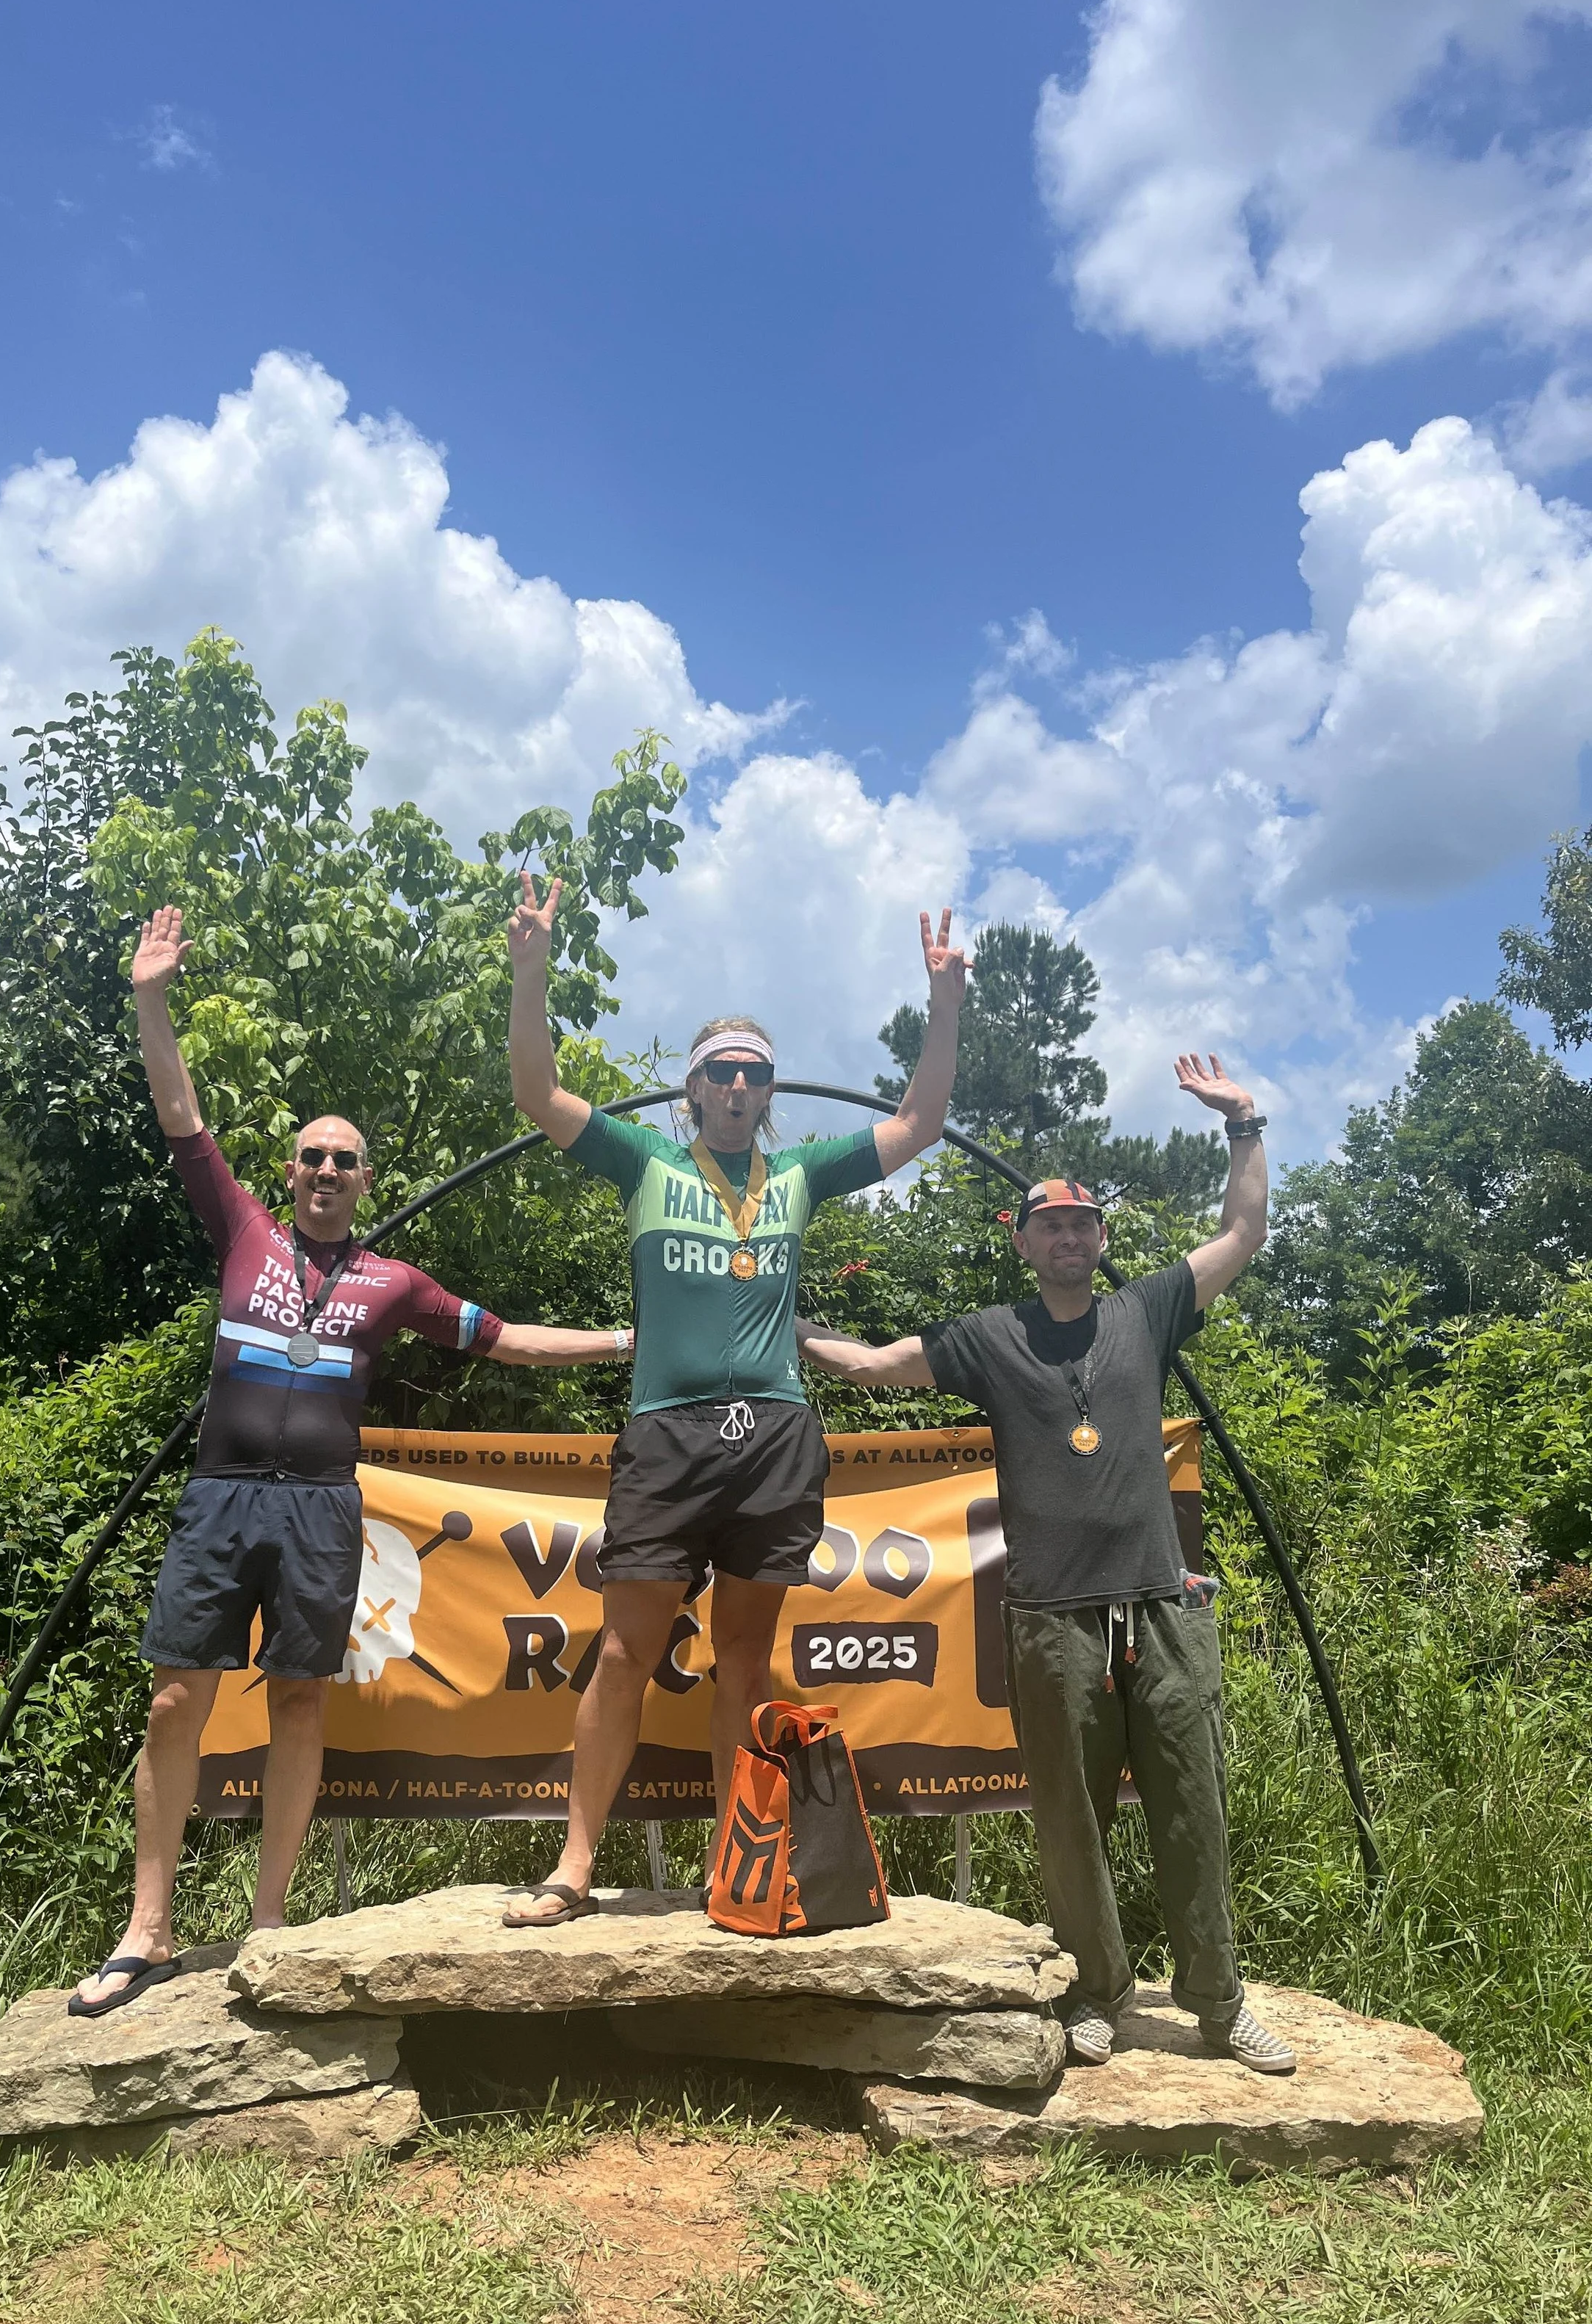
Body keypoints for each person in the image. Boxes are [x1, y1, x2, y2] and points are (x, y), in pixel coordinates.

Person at [70, 905, 634, 2016]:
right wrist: (151, 995)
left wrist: (626, 1339)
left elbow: (507, 1338)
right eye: (313, 1156)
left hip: (323, 1510)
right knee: (174, 1706)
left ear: (367, 1181)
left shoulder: (392, 1283)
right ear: (290, 1172)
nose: (328, 1170)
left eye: (347, 1160)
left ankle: (269, 1922)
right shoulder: (244, 1231)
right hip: (221, 1498)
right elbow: (179, 1114)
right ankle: (147, 1929)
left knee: (298, 1707)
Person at [797, 1054, 1295, 2075]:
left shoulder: (1146, 1310)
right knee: (1068, 1823)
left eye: (1083, 1224)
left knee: (1193, 1812)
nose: (1069, 1237)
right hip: (1051, 1618)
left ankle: (1217, 2002)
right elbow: (883, 1365)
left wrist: (1244, 1123)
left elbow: (1244, 1233)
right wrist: (786, 1323)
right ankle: (1100, 1993)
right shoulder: (990, 1337)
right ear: (1023, 1242)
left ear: (1100, 1240)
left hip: (1160, 1608)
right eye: (1050, 1224)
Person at [502, 872, 968, 1925]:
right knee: (625, 1648)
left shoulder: (800, 1175)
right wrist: (530, 973)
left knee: (745, 1658)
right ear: (694, 1089)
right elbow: (537, 1092)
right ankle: (574, 1867)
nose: (739, 1086)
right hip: (667, 1433)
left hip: (775, 1436)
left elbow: (923, 1120)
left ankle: (736, 1864)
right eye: (721, 1071)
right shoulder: (644, 1164)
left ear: (770, 1093)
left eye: (756, 1073)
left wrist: (944, 1006)